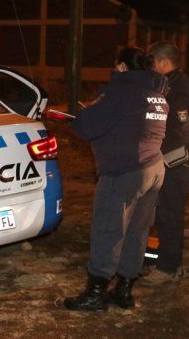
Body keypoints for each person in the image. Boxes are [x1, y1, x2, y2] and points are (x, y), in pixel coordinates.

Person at [63, 47, 168, 311]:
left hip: (124, 172)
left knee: (108, 230)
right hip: (154, 168)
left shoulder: (121, 91)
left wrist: (88, 111)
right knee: (137, 231)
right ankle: (124, 291)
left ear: (122, 66)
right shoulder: (157, 93)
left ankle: (95, 294)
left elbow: (85, 127)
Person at [143, 41, 189, 285]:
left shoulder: (177, 90)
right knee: (164, 213)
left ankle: (169, 268)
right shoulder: (173, 83)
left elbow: (182, 130)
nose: (150, 68)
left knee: (169, 214)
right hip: (174, 162)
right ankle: (164, 261)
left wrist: (162, 158)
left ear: (163, 63)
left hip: (177, 164)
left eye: (152, 62)